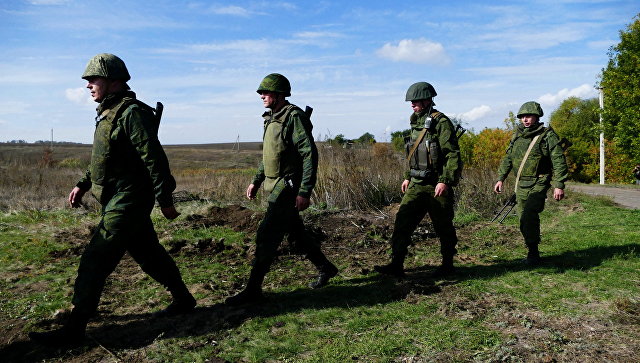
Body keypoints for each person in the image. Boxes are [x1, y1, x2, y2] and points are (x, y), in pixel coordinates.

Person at [29, 53, 195, 346]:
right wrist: (82, 184)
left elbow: (154, 158)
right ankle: (183, 298)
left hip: (129, 199)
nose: (88, 85)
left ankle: (75, 329)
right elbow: (103, 158)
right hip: (117, 198)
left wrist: (165, 199)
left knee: (96, 257)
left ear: (113, 80)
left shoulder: (132, 113)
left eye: (93, 79)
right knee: (148, 253)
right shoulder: (108, 113)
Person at [225, 73, 338, 305]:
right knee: (296, 232)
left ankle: (253, 290)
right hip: (272, 184)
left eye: (265, 92)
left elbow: (309, 154)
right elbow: (270, 154)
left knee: (266, 235)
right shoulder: (271, 118)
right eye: (261, 93)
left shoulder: (293, 117)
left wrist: (304, 191)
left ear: (279, 95)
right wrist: (256, 180)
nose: (261, 96)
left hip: (287, 187)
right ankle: (326, 268)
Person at [374, 82, 462, 278]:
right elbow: (415, 154)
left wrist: (445, 181)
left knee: (444, 226)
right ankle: (396, 264)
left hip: (436, 184)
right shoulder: (416, 122)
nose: (412, 105)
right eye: (411, 102)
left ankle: (448, 265)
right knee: (402, 223)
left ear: (427, 100)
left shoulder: (441, 122)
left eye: (415, 101)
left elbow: (452, 154)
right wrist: (408, 177)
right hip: (416, 183)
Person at [494, 101, 569, 265]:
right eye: (522, 117)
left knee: (529, 215)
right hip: (521, 184)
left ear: (536, 116)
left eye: (528, 116)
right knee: (522, 219)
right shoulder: (517, 135)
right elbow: (508, 158)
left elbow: (558, 160)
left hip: (539, 182)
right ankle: (531, 249)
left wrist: (559, 185)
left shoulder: (547, 136)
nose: (525, 120)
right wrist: (501, 178)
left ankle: (533, 253)